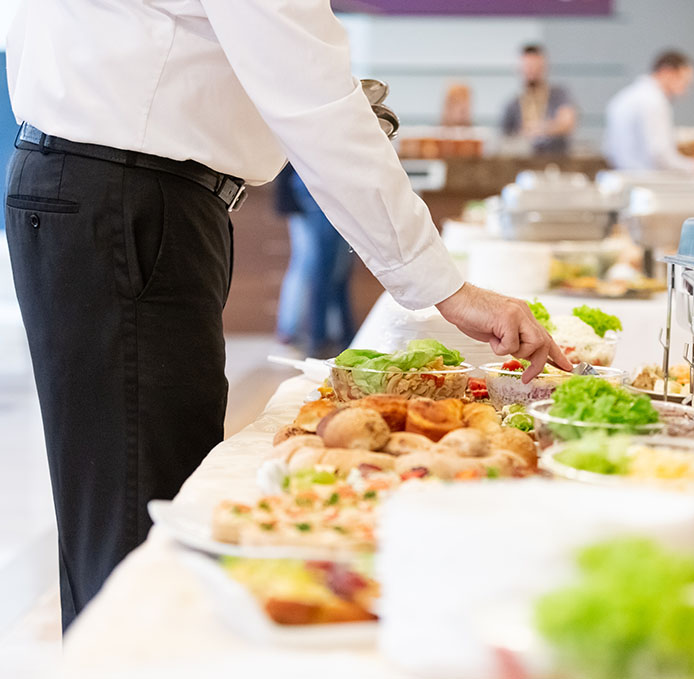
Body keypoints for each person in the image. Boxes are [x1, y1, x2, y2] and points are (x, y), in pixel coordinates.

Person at [4, 0, 571, 630]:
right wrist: (447, 288)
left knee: (122, 501)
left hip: (118, 188)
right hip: (125, 193)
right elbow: (316, 98)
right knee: (139, 525)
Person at [274, 165, 355, 356]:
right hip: (322, 184)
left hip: (314, 184)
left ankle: (331, 336)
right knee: (324, 269)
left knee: (324, 268)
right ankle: (321, 338)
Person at [604, 50, 694, 172]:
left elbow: (609, 149)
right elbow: (659, 154)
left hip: (623, 174)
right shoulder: (654, 102)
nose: (685, 91)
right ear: (667, 72)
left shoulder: (624, 97)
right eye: (684, 82)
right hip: (647, 177)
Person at [501, 44, 578, 155]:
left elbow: (567, 122)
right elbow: (505, 138)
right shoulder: (513, 104)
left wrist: (540, 129)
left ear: (544, 67)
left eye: (535, 67)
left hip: (557, 157)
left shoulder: (558, 94)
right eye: (528, 67)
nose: (532, 71)